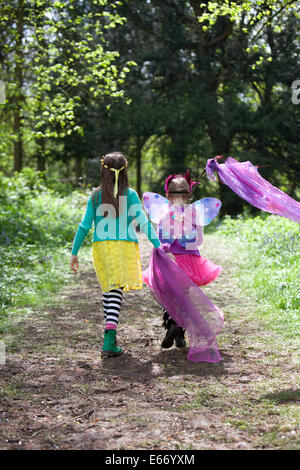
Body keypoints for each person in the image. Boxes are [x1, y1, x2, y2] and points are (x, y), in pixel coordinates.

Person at [70, 152, 164, 357]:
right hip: (123, 248)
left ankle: (110, 337)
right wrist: (158, 245)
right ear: (124, 172)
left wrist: (74, 252)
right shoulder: (130, 194)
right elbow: (144, 223)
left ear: (103, 171)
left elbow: (84, 225)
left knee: (109, 290)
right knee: (114, 290)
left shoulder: (95, 195)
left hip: (102, 248)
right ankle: (109, 339)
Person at [142, 171, 222, 351]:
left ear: (167, 195)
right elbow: (199, 241)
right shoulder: (196, 214)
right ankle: (180, 334)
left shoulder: (163, 212)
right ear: (189, 195)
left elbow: (158, 238)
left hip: (168, 260)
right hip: (188, 261)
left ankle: (172, 325)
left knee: (169, 294)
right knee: (184, 296)